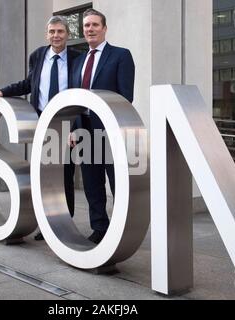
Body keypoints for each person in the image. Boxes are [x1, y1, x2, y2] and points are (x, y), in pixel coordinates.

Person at [0, 16, 81, 241]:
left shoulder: (77, 58)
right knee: (43, 175)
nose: (56, 35)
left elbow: (81, 94)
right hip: (42, 123)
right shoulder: (38, 55)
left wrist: (75, 127)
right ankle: (47, 223)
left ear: (67, 35)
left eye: (60, 31)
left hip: (65, 123)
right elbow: (29, 84)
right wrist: (3, 91)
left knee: (64, 174)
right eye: (52, 31)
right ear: (47, 33)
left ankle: (64, 221)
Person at [71, 9, 135, 244]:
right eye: (86, 26)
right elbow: (74, 99)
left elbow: (126, 96)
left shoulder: (120, 55)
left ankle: (124, 229)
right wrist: (72, 129)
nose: (90, 29)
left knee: (118, 182)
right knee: (92, 183)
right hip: (84, 130)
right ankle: (99, 227)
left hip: (110, 131)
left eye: (95, 25)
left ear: (104, 28)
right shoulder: (78, 61)